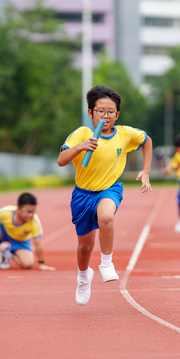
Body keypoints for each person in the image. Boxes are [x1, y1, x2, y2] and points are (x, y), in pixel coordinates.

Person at [58, 84, 152, 306]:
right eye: (100, 111)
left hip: (109, 189)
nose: (106, 115)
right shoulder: (81, 133)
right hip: (82, 194)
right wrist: (81, 147)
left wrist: (146, 170)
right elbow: (61, 161)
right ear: (90, 112)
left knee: (106, 217)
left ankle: (106, 263)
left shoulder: (124, 134)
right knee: (85, 247)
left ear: (117, 114)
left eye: (110, 111)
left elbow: (146, 140)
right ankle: (83, 277)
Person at [0, 192, 55, 271]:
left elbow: (38, 243)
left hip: (20, 240)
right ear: (19, 209)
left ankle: (8, 253)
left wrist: (41, 263)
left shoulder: (34, 221)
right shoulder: (6, 212)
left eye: (33, 211)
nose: (31, 215)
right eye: (28, 211)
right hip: (4, 232)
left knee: (27, 264)